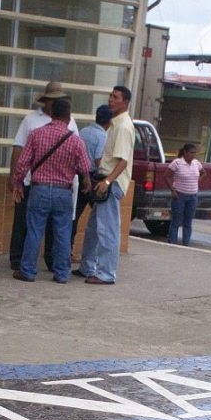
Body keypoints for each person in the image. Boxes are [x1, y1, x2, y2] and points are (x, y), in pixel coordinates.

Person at [11, 99, 92, 284]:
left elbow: (23, 164)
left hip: (38, 190)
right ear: (68, 116)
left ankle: (28, 271)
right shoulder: (75, 140)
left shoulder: (36, 135)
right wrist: (86, 181)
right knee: (63, 233)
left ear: (52, 114)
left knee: (34, 231)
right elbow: (84, 168)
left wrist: (17, 184)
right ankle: (62, 273)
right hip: (63, 193)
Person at [6, 81, 79, 272]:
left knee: (53, 228)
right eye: (52, 100)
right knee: (24, 222)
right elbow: (18, 149)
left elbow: (77, 152)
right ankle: (18, 259)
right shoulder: (30, 120)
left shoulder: (71, 122)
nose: (55, 103)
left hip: (59, 183)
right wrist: (14, 177)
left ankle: (49, 261)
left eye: (58, 100)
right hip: (32, 180)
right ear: (45, 101)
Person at [75, 86, 134, 285]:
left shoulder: (123, 127)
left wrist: (107, 182)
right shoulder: (115, 125)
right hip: (104, 180)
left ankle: (106, 273)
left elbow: (122, 161)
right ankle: (87, 266)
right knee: (93, 228)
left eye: (115, 97)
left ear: (125, 102)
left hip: (111, 182)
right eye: (110, 96)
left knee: (107, 230)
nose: (111, 100)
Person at [71, 104, 112, 244]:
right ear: (109, 121)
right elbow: (98, 159)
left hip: (77, 175)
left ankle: (67, 250)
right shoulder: (102, 136)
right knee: (100, 215)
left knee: (74, 215)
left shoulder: (83, 131)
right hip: (93, 178)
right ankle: (95, 253)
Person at [165, 143, 205, 246]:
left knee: (188, 222)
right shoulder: (177, 163)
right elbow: (167, 176)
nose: (193, 155)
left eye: (195, 153)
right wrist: (172, 190)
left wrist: (197, 182)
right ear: (185, 153)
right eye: (191, 153)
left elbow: (203, 173)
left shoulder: (196, 163)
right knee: (176, 221)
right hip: (179, 195)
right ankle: (172, 242)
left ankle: (186, 243)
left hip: (192, 196)